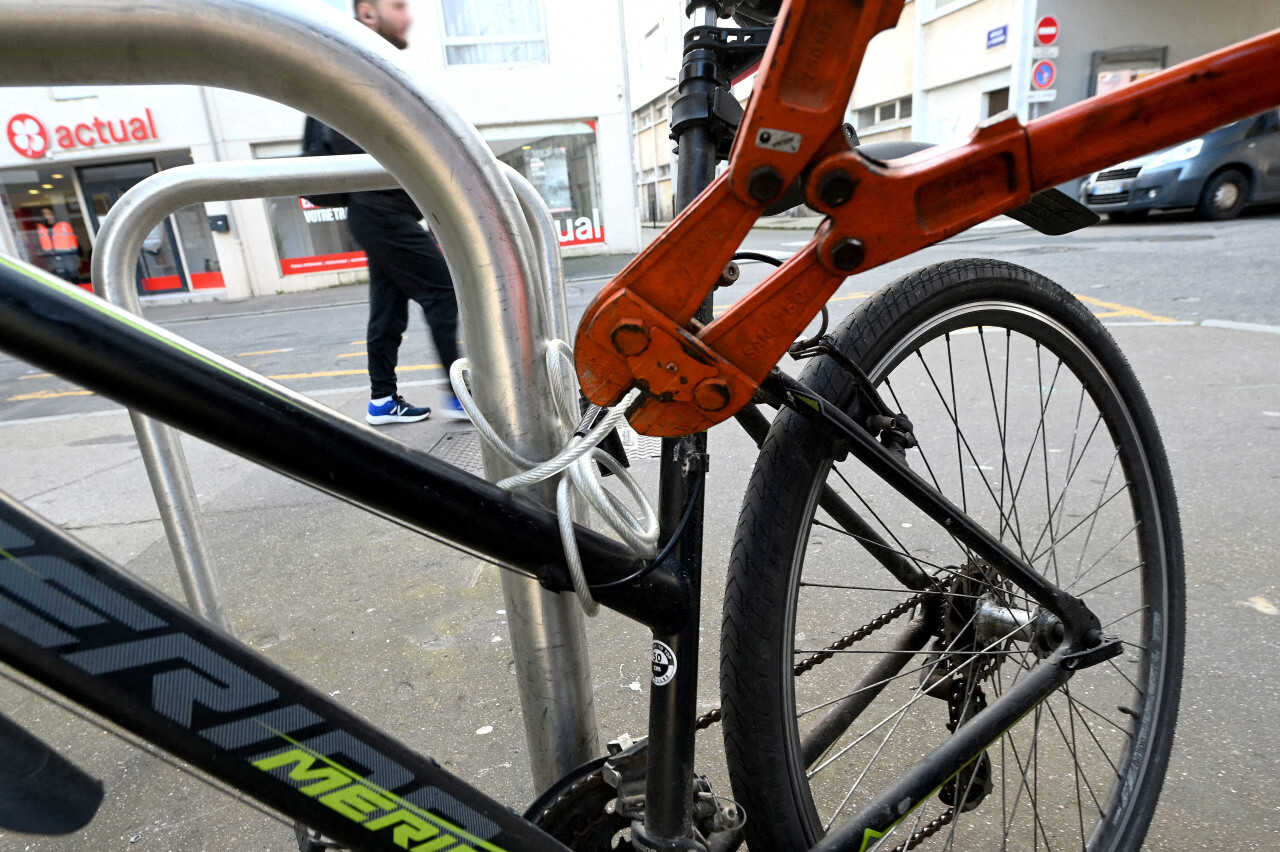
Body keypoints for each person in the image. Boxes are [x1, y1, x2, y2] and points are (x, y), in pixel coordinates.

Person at [306, 0, 467, 424]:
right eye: (397, 6)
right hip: (379, 211)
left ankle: (382, 400)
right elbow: (355, 142)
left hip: (381, 212)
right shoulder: (352, 69)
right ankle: (458, 395)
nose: (408, 15)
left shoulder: (368, 66)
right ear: (367, 13)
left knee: (388, 310)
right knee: (442, 292)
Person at [36, 207, 81, 284]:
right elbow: (40, 242)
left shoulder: (63, 224)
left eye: (47, 213)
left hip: (67, 254)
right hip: (52, 256)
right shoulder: (41, 227)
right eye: (44, 214)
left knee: (73, 275)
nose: (46, 215)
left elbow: (72, 239)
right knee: (62, 277)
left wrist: (75, 253)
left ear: (52, 213)